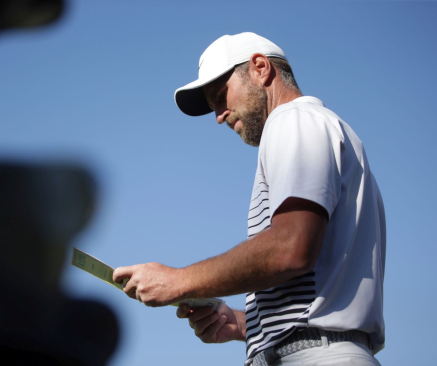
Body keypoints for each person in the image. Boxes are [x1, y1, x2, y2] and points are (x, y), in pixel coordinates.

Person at [113, 32, 385, 366]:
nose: (218, 114)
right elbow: (319, 286)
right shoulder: (320, 128)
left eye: (220, 95)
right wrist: (242, 324)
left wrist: (177, 281)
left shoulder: (294, 120)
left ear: (260, 68)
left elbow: (291, 247)